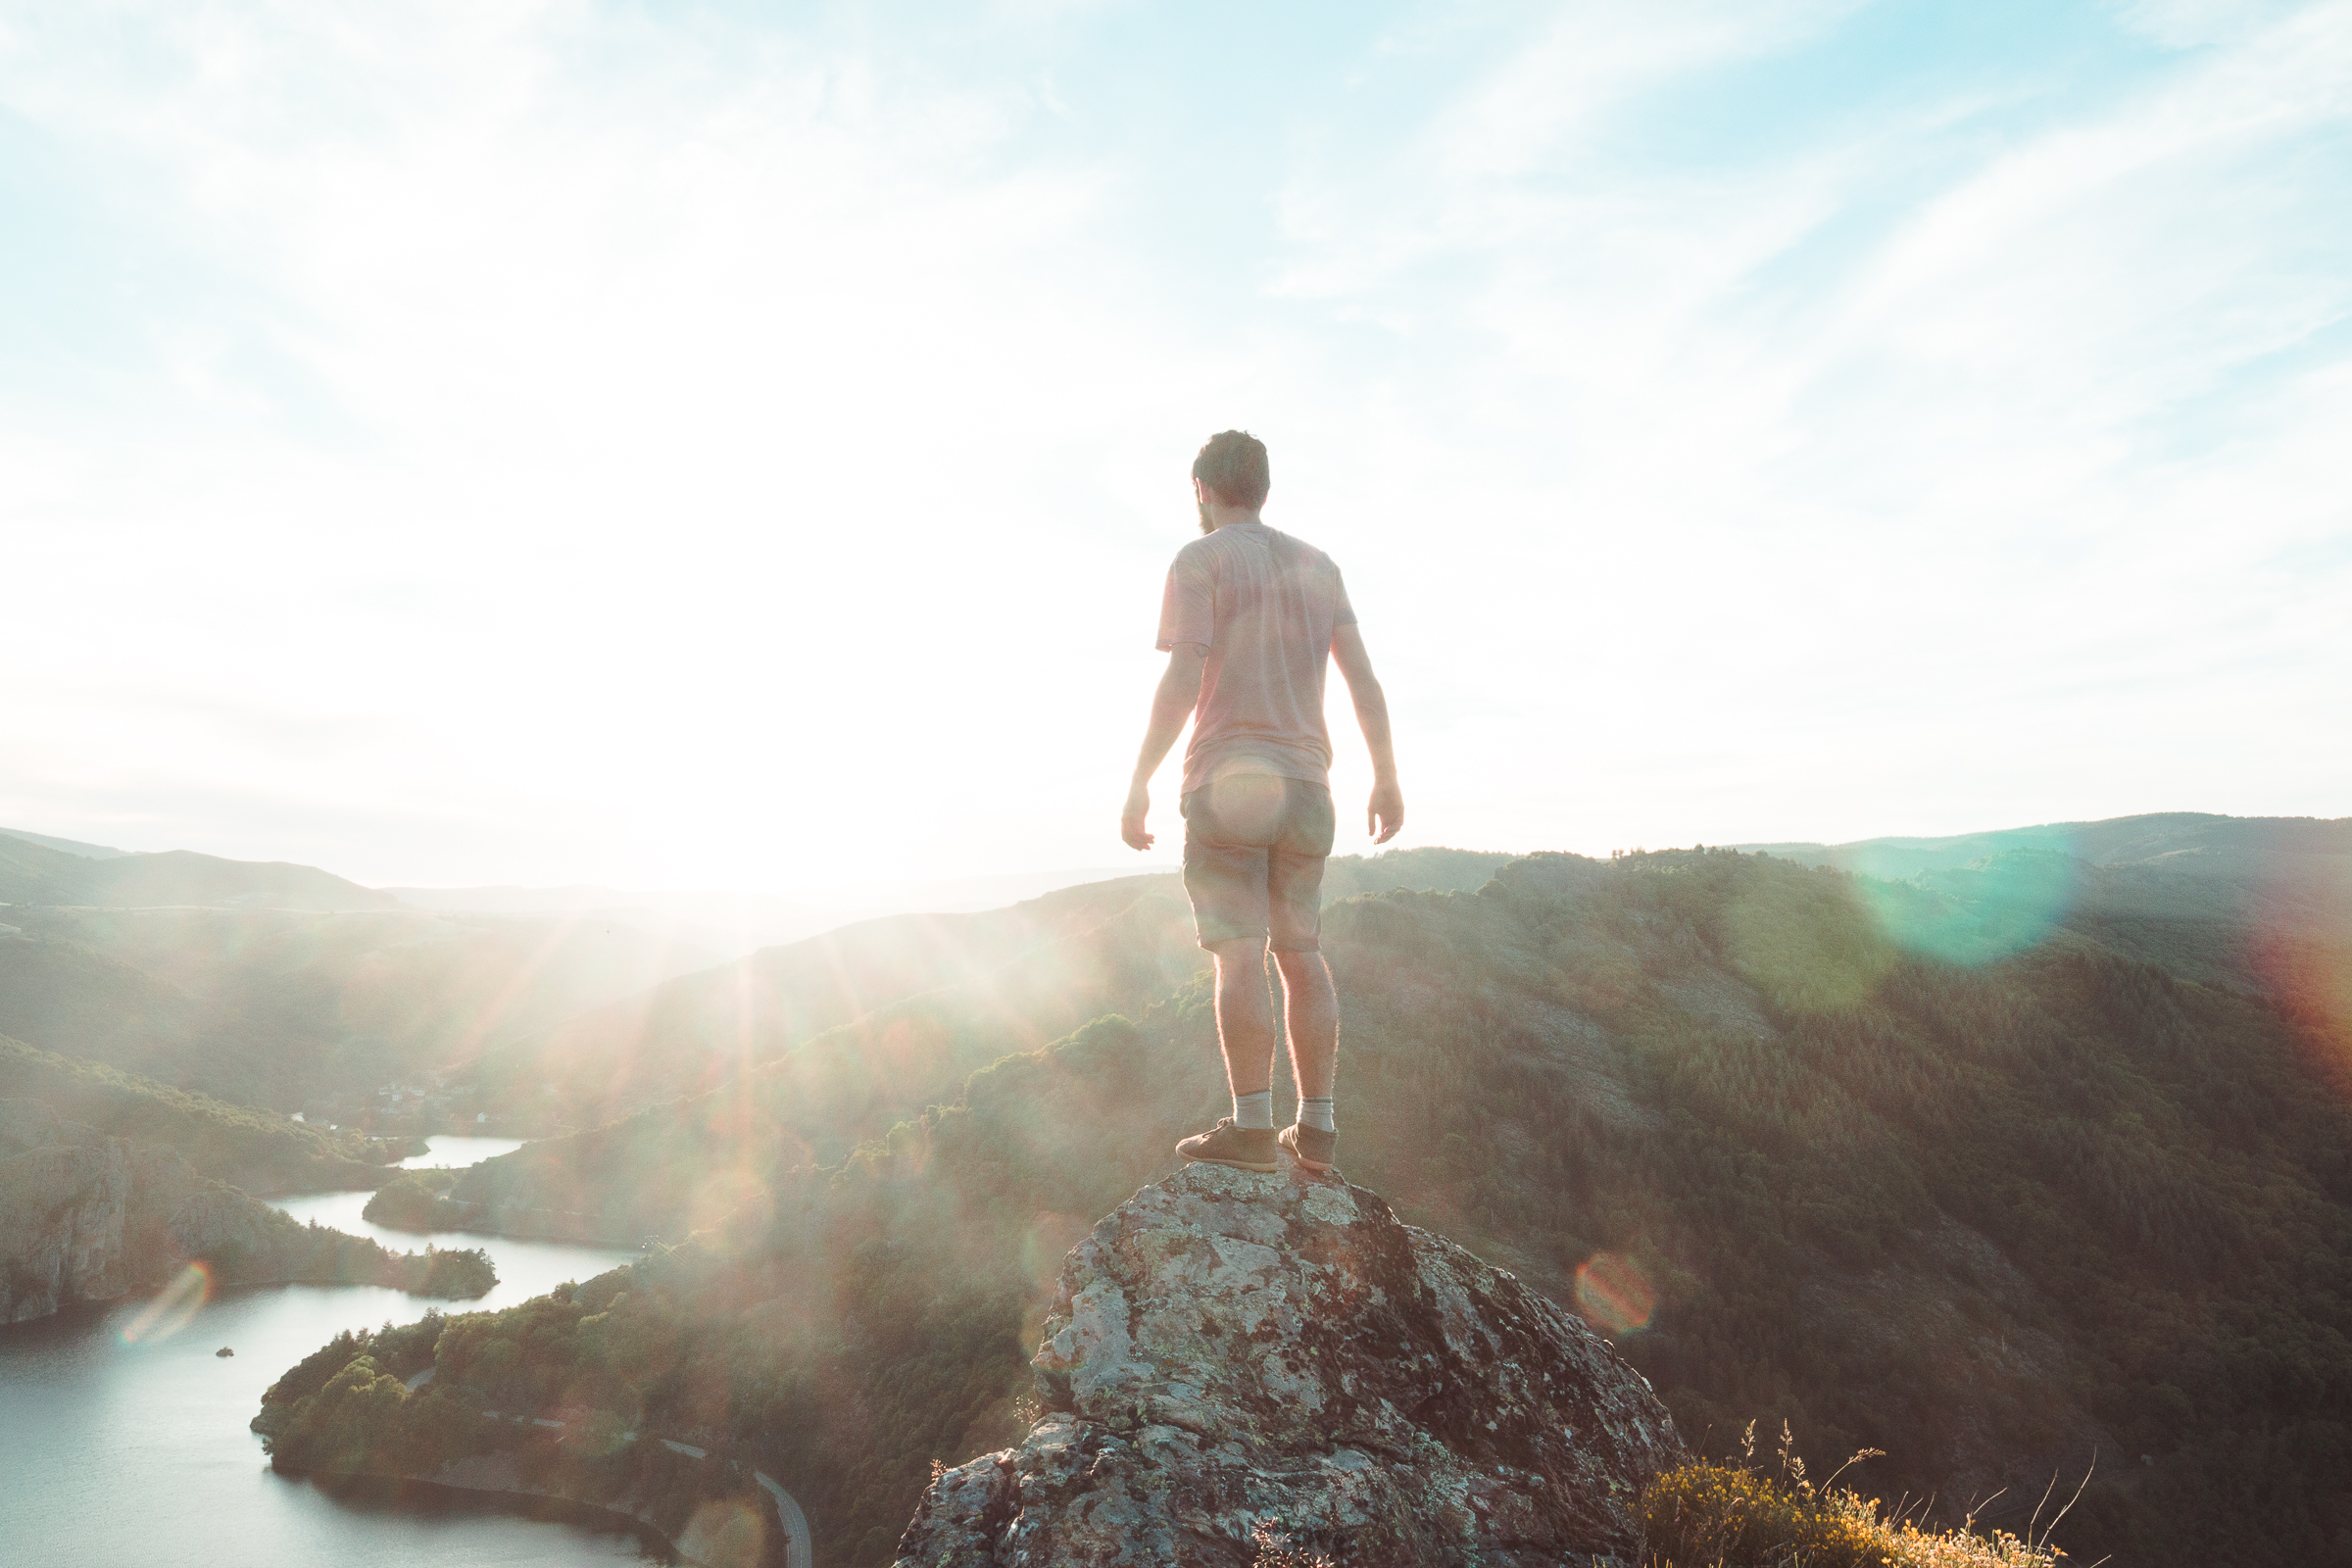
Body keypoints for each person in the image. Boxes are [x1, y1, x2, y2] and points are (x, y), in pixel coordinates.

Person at [1121, 429, 1402, 1175]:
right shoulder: (1320, 566)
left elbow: (1184, 677)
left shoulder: (1200, 560)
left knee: (1239, 956)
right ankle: (1316, 1132)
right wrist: (1385, 775)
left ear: (1203, 492)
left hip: (1226, 780)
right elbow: (1363, 681)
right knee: (1301, 954)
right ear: (1267, 490)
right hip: (1309, 785)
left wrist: (1139, 780)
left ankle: (1252, 1130)